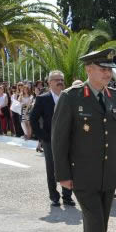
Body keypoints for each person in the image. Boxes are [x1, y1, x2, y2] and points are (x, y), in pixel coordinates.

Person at [51, 48, 116, 232]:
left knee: (99, 226)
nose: (107, 73)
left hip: (108, 175)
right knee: (96, 226)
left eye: (109, 69)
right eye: (102, 69)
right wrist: (62, 174)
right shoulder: (71, 97)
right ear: (88, 69)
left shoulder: (115, 97)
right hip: (82, 175)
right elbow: (59, 139)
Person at [30, 70, 75, 207]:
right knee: (52, 168)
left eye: (61, 79)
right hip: (50, 141)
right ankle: (54, 196)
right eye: (56, 79)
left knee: (68, 167)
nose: (60, 81)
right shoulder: (43, 99)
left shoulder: (69, 97)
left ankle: (67, 196)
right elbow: (33, 119)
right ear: (49, 83)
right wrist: (43, 137)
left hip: (68, 140)